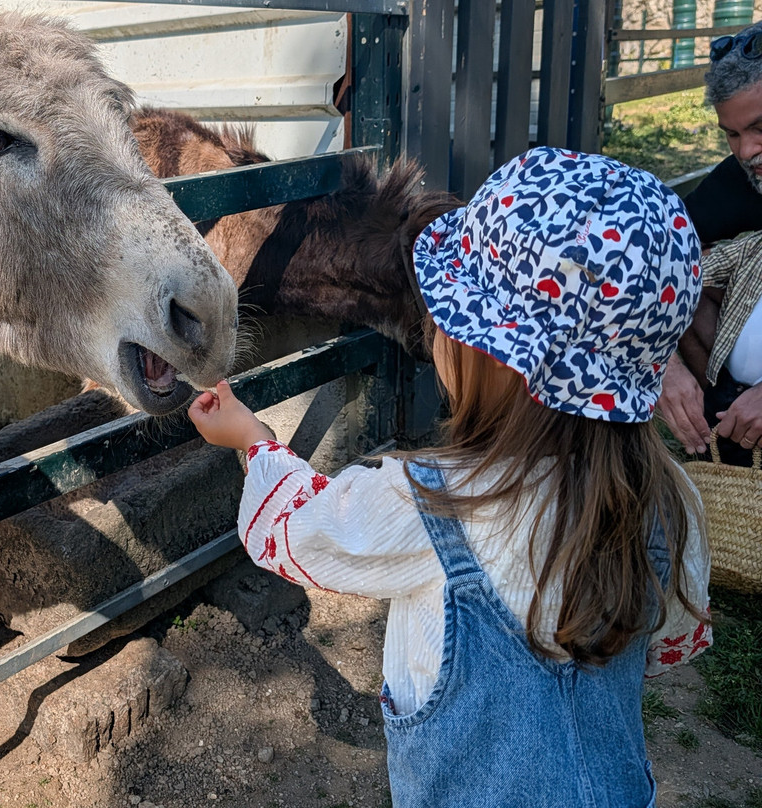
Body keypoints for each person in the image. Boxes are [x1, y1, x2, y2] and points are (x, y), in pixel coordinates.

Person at [189, 148, 711, 807]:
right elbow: (664, 645)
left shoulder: (431, 502)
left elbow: (294, 533)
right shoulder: (670, 498)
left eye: (445, 320)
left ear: (493, 359)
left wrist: (254, 440)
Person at [659, 21, 762, 465]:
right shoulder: (742, 176)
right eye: (732, 134)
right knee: (681, 261)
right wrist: (659, 364)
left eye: (760, 128)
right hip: (735, 387)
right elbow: (653, 247)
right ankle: (717, 418)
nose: (746, 151)